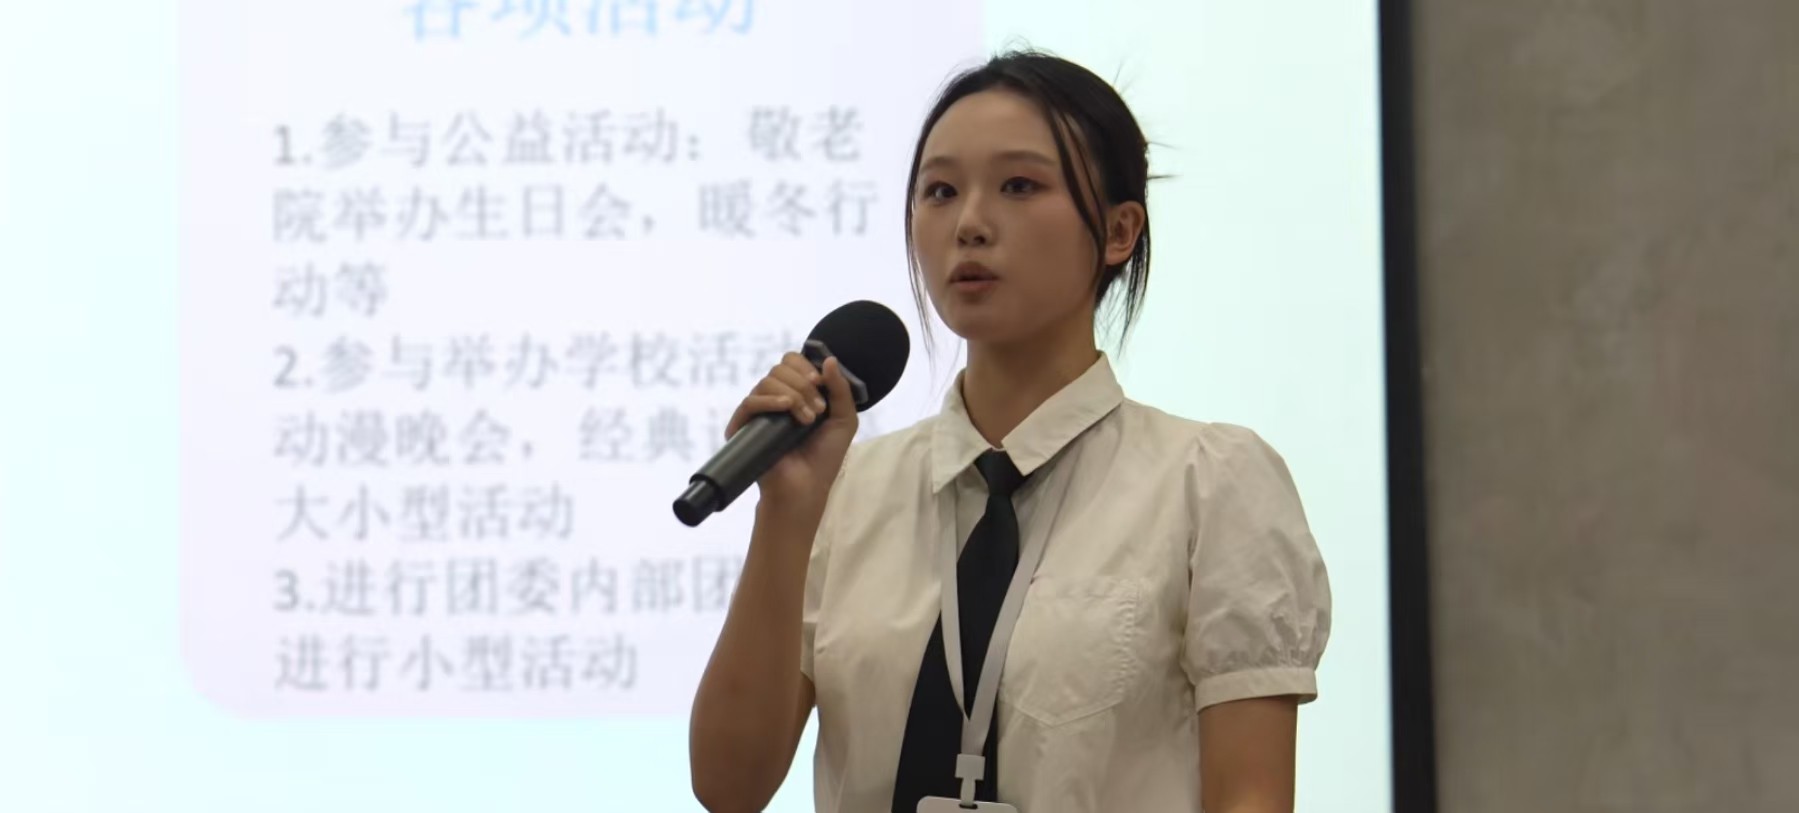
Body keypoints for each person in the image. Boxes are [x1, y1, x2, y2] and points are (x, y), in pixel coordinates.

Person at [689, 50, 1331, 813]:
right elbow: (728, 787)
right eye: (939, 191)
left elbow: (1250, 796)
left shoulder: (1206, 482)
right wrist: (785, 512)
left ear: (1118, 230)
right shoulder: (847, 492)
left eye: (1019, 186)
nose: (968, 223)